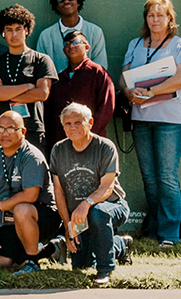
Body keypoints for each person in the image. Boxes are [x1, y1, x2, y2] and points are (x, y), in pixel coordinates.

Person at [121, 0, 181, 246]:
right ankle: (154, 229)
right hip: (141, 117)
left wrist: (153, 91)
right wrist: (129, 92)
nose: (155, 19)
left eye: (160, 15)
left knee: (166, 177)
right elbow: (124, 77)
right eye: (151, 15)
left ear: (169, 18)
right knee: (149, 177)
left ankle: (170, 234)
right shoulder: (136, 44)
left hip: (170, 121)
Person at [50, 104, 133, 286]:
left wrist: (86, 203)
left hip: (112, 205)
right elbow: (59, 191)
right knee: (81, 264)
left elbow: (107, 187)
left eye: (78, 122)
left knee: (98, 213)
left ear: (90, 123)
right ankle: (120, 245)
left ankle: (105, 269)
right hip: (79, 217)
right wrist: (67, 226)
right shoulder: (58, 149)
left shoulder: (105, 147)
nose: (73, 127)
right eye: (68, 123)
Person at [0, 111, 60, 275]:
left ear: (23, 132)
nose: (5, 134)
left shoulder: (31, 156)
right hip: (11, 222)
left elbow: (30, 196)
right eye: (0, 129)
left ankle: (32, 262)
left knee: (21, 209)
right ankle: (52, 249)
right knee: (1, 263)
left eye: (11, 129)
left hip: (41, 216)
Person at [0, 5, 57, 148]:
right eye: (9, 30)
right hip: (2, 131)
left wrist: (6, 94)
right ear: (3, 33)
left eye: (18, 29)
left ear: (26, 30)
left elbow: (42, 93)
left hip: (32, 129)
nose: (14, 34)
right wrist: (28, 87)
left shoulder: (41, 60)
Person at [46, 29, 115, 151]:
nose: (71, 46)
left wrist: (88, 135)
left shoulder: (98, 73)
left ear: (87, 47)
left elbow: (106, 107)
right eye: (67, 44)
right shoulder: (59, 79)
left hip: (92, 143)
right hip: (64, 145)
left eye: (75, 42)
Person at [36, 0, 110, 71]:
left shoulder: (95, 32)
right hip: (56, 84)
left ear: (78, 2)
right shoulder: (46, 36)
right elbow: (41, 72)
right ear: (56, 5)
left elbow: (101, 68)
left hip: (88, 83)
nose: (66, 1)